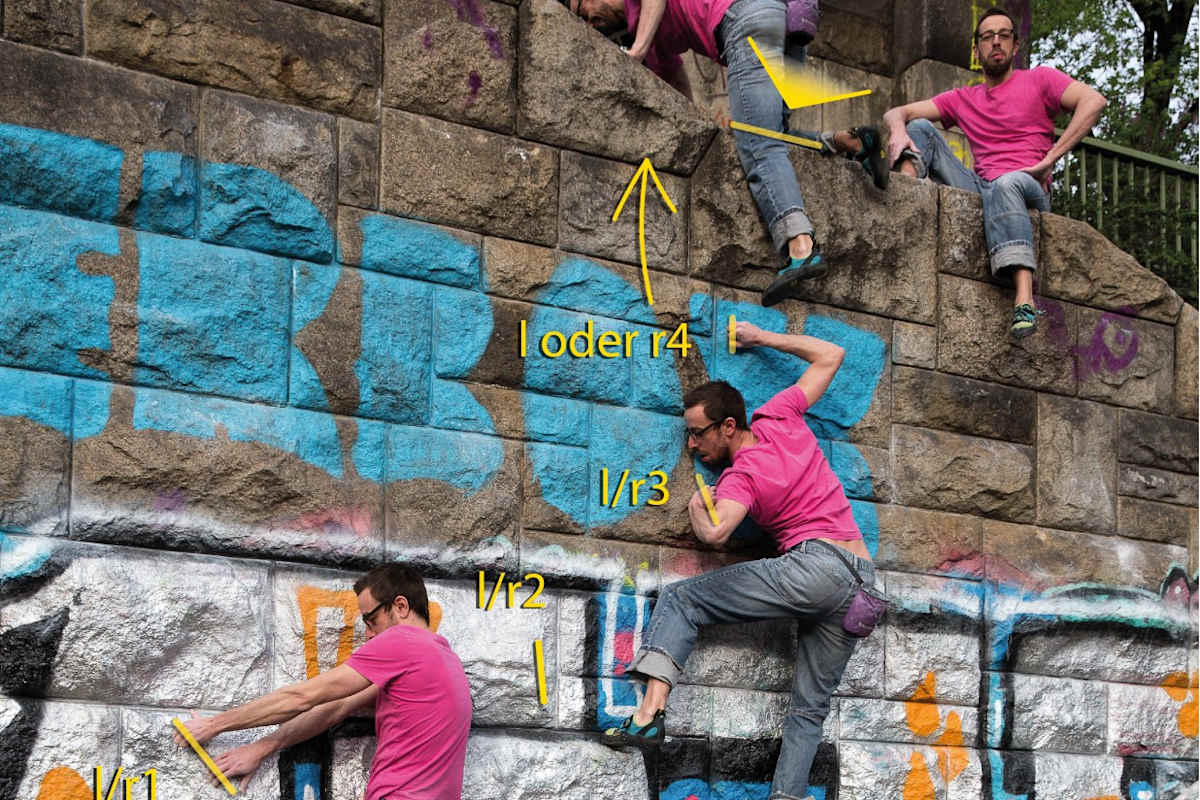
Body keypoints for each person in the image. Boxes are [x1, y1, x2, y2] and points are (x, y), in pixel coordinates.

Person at [602, 320, 877, 800]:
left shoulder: (740, 476)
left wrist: (697, 512)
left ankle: (648, 716)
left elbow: (718, 530)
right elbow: (831, 354)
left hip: (816, 569)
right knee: (808, 712)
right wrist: (760, 338)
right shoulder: (780, 415)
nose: (692, 445)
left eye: (697, 434)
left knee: (683, 601)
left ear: (728, 426)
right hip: (864, 588)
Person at [566, 0, 889, 306]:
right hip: (781, 22)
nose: (591, 23)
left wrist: (636, 51)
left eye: (584, 11)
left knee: (759, 143)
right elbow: (677, 83)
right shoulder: (647, 33)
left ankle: (800, 248)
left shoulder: (644, 28)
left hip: (748, 16)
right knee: (769, 132)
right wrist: (696, 121)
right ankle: (849, 142)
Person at [882, 6, 1107, 338]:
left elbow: (1094, 101)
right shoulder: (964, 97)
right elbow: (896, 112)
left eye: (1004, 36)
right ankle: (908, 199)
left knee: (1007, 183)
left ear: (1016, 46)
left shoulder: (1040, 79)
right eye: (988, 37)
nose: (996, 42)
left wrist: (1051, 158)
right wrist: (898, 132)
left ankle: (1024, 298)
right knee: (917, 128)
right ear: (977, 50)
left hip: (1028, 184)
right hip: (981, 187)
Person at [173, 563, 472, 800]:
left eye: (371, 620)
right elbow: (336, 707)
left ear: (401, 606)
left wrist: (214, 725)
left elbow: (303, 697)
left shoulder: (403, 642)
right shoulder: (444, 660)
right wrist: (262, 747)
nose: (367, 633)